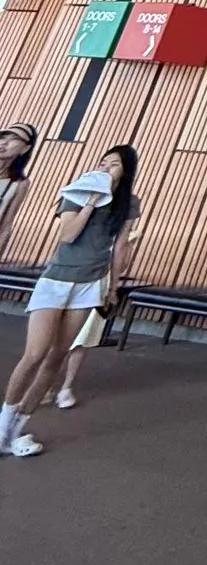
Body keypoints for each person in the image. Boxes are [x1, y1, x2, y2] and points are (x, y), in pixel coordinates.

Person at [1, 140, 138, 456]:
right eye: (103, 161)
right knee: (34, 354)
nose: (105, 167)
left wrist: (113, 286)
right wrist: (91, 202)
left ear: (126, 171)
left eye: (113, 164)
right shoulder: (78, 191)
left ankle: (15, 431)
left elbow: (119, 247)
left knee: (57, 356)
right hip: (56, 280)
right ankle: (2, 424)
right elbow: (68, 235)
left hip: (90, 284)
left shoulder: (129, 203)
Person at [0, 120, 37, 258]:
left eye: (14, 139)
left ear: (25, 148)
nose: (4, 143)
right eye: (2, 137)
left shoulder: (19, 184)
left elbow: (6, 225)